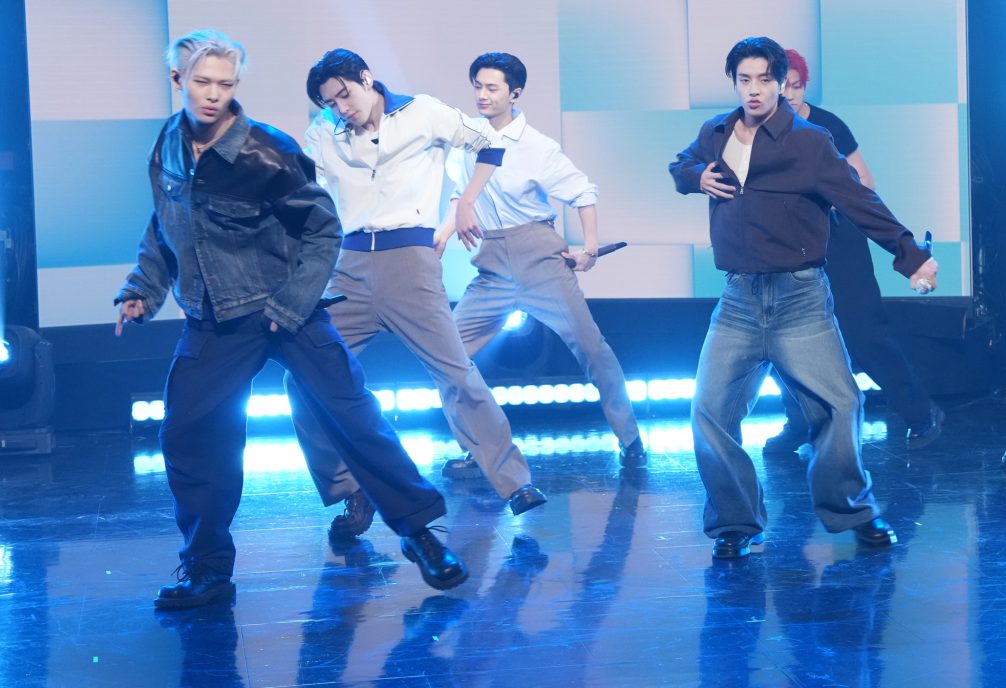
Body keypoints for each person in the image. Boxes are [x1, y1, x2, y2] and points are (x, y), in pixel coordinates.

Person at [116, 31, 466, 609]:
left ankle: (420, 534)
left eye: (225, 84)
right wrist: (142, 289)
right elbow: (166, 225)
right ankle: (207, 568)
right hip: (214, 315)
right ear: (178, 80)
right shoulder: (169, 147)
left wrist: (291, 304)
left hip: (288, 307)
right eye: (201, 82)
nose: (213, 94)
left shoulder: (267, 150)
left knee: (351, 413)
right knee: (187, 433)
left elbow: (323, 229)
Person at [669, 36, 939, 559]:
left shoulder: (810, 141)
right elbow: (680, 165)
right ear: (734, 83)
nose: (754, 90)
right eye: (744, 80)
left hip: (799, 298)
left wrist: (909, 255)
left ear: (780, 83)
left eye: (764, 79)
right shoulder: (716, 133)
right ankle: (735, 523)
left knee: (841, 404)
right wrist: (695, 176)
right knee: (709, 409)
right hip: (739, 300)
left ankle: (853, 510)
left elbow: (860, 200)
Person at [287, 49, 548, 537]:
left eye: (344, 94)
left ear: (367, 78)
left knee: (456, 374)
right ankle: (350, 489)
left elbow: (489, 144)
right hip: (347, 270)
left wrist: (466, 202)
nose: (340, 107)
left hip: (410, 263)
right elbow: (305, 193)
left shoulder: (422, 111)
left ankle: (515, 482)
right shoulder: (324, 131)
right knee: (302, 378)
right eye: (330, 103)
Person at [438, 52, 646, 472]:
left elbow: (582, 192)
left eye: (492, 87)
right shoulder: (466, 140)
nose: (482, 95)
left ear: (514, 93)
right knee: (445, 354)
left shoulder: (536, 146)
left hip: (539, 259)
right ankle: (479, 448)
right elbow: (462, 197)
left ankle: (630, 439)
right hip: (491, 265)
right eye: (477, 86)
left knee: (592, 349)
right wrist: (442, 235)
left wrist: (589, 248)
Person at [759, 49, 943, 455]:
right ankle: (800, 421)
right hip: (787, 247)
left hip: (839, 241)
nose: (789, 95)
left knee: (865, 335)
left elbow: (865, 183)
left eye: (796, 86)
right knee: (780, 338)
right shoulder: (759, 130)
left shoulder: (827, 126)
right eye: (782, 87)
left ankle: (919, 413)